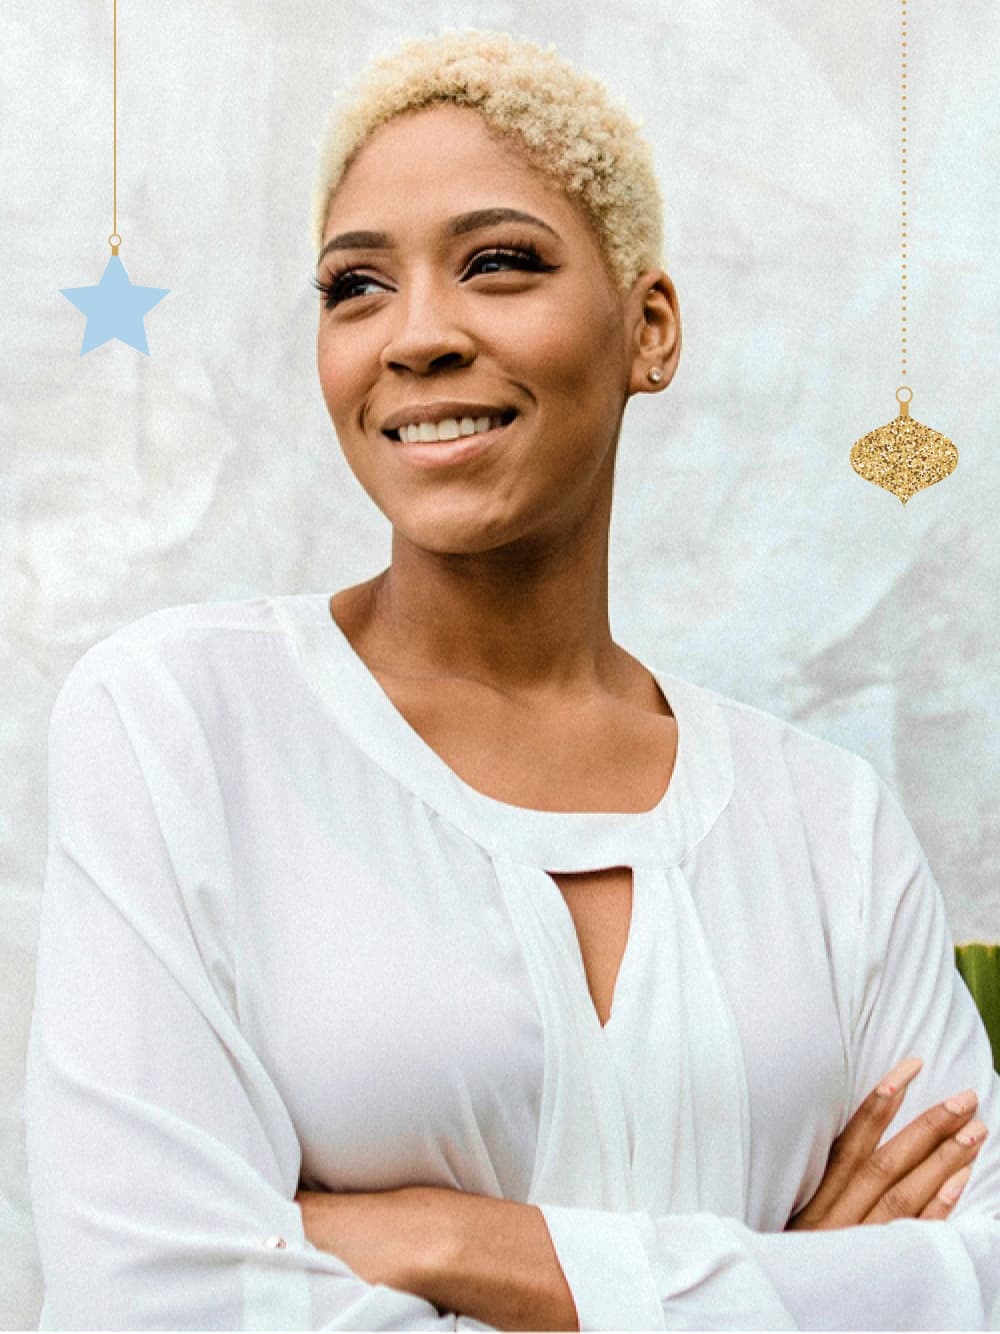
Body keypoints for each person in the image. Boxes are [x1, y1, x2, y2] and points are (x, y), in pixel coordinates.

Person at [24, 27, 1000, 1332]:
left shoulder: (830, 825)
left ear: (649, 328)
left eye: (499, 262)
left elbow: (982, 1277)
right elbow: (153, 1304)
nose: (416, 335)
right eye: (355, 286)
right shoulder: (179, 726)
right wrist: (795, 1286)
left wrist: (451, 1238)